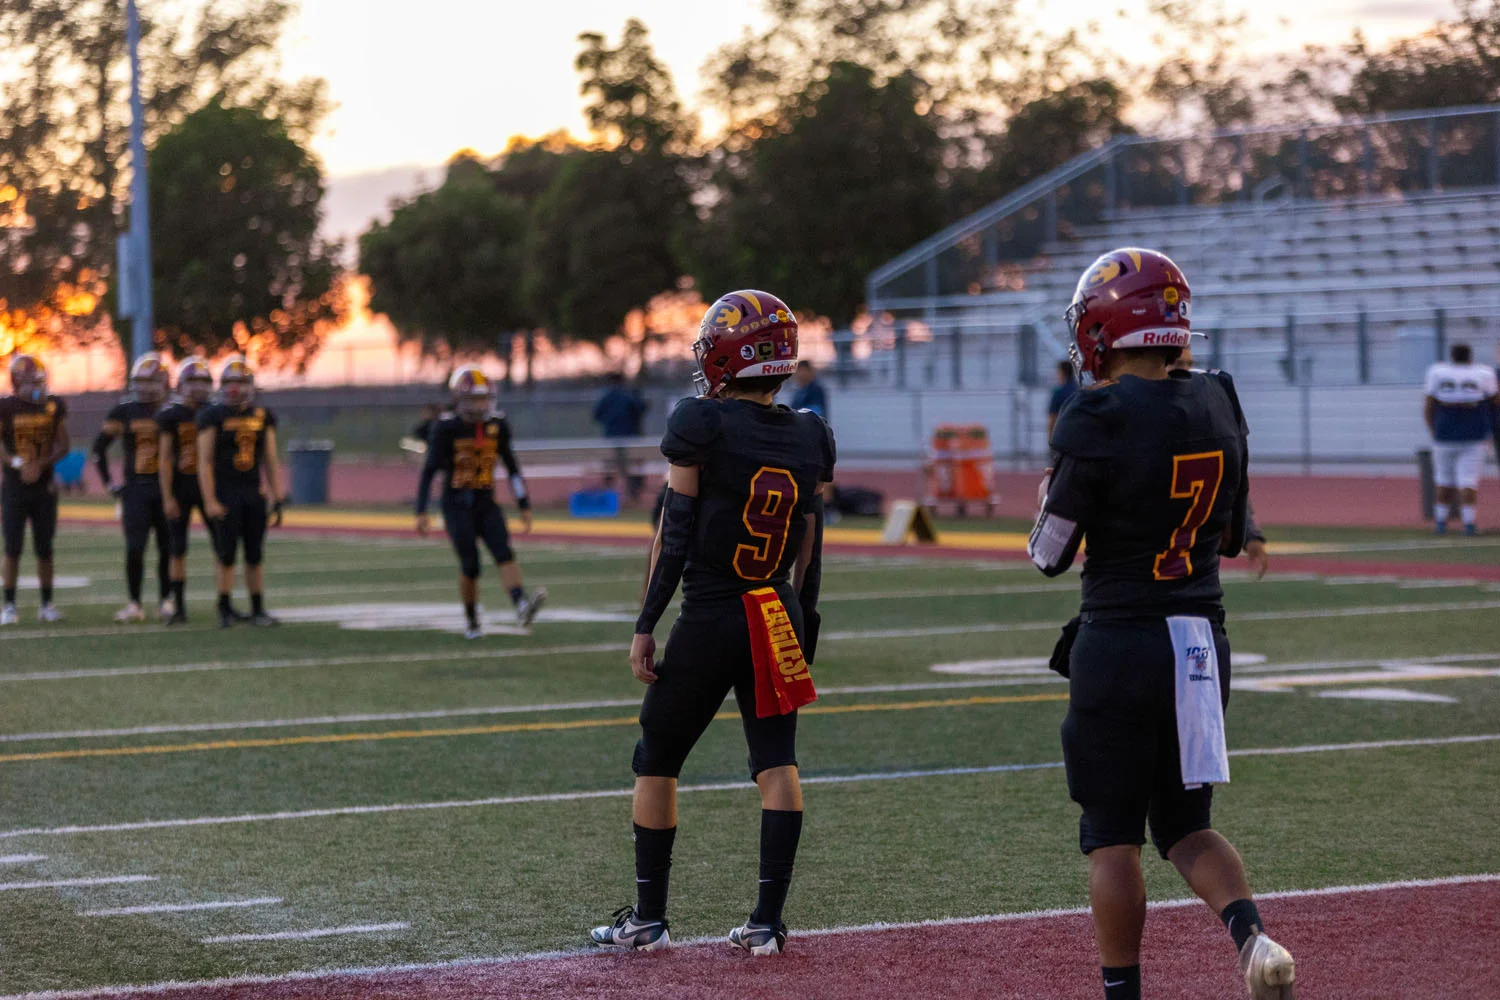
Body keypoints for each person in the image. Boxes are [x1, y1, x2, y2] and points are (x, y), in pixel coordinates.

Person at [1028, 248, 1295, 1000]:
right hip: (1201, 643)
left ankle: (1122, 993)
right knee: (1186, 825)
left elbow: (1049, 554)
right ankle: (1253, 937)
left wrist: (1049, 497)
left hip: (1121, 640)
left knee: (1113, 835)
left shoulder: (1096, 411)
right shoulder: (1218, 398)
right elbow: (1236, 520)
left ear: (1109, 328)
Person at [589, 289, 835, 957]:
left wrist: (645, 623)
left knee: (656, 760)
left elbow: (673, 532)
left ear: (728, 357)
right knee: (777, 763)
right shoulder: (812, 433)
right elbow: (810, 547)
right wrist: (804, 624)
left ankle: (648, 917)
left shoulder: (701, 422)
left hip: (711, 612)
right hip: (774, 609)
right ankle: (765, 923)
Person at [415, 366, 546, 639]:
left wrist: (523, 503)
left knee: (503, 551)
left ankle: (521, 603)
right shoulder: (446, 427)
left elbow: (512, 466)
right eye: (474, 398)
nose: (480, 404)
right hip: (456, 503)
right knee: (470, 563)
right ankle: (472, 619)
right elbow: (429, 472)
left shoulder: (497, 425)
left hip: (486, 500)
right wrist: (421, 510)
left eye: (484, 397)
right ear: (460, 399)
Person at [196, 355, 284, 628]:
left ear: (251, 385)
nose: (235, 388)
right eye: (230, 382)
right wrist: (209, 499)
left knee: (255, 553)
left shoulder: (261, 415)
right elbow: (205, 461)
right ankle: (224, 607)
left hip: (252, 492)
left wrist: (277, 497)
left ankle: (257, 608)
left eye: (241, 382)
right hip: (225, 491)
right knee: (226, 554)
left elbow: (270, 459)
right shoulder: (212, 415)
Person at [1170, 347, 1269, 578]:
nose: (1186, 372)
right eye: (1178, 365)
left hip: (1198, 570)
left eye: (1189, 364)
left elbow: (1232, 482)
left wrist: (1249, 534)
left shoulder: (1208, 417)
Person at [93, 352, 173, 622]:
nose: (145, 387)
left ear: (163, 382)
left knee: (168, 548)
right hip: (136, 489)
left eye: (150, 381)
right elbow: (99, 449)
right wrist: (110, 484)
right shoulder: (124, 411)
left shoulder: (174, 411)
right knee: (135, 548)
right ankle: (135, 603)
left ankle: (165, 600)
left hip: (166, 489)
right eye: (140, 381)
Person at [0, 354, 69, 625]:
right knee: (12, 547)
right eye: (30, 381)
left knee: (45, 547)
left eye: (39, 380)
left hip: (44, 485)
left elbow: (63, 445)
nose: (36, 386)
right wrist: (17, 463)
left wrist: (41, 464)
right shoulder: (6, 407)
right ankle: (8, 606)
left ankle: (46, 604)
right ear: (16, 382)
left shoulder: (52, 405)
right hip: (15, 485)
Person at [156, 358, 215, 625]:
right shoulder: (172, 416)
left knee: (223, 547)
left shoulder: (216, 413)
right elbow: (165, 459)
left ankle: (224, 603)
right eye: (192, 381)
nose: (197, 387)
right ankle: (178, 605)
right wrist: (167, 496)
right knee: (177, 548)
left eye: (203, 381)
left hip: (210, 486)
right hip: (182, 487)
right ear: (181, 384)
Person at [1424, 343, 1497, 536]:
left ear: (1452, 357)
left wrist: (1433, 430)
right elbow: (1495, 401)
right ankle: (1469, 524)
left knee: (1443, 479)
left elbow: (1428, 406)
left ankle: (1440, 522)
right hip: (1474, 434)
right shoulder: (1483, 373)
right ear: (1470, 357)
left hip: (1445, 433)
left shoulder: (1438, 372)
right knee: (1468, 481)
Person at [593, 373, 649, 502]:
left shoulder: (607, 397)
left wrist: (610, 422)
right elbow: (642, 409)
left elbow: (596, 415)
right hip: (631, 437)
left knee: (613, 466)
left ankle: (609, 495)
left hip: (613, 438)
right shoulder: (628, 396)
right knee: (631, 466)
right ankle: (633, 494)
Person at [1046, 359, 1078, 442]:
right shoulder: (1080, 391)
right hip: (1078, 435)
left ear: (1062, 373)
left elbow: (1052, 418)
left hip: (1062, 436)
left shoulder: (1058, 393)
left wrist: (1050, 439)